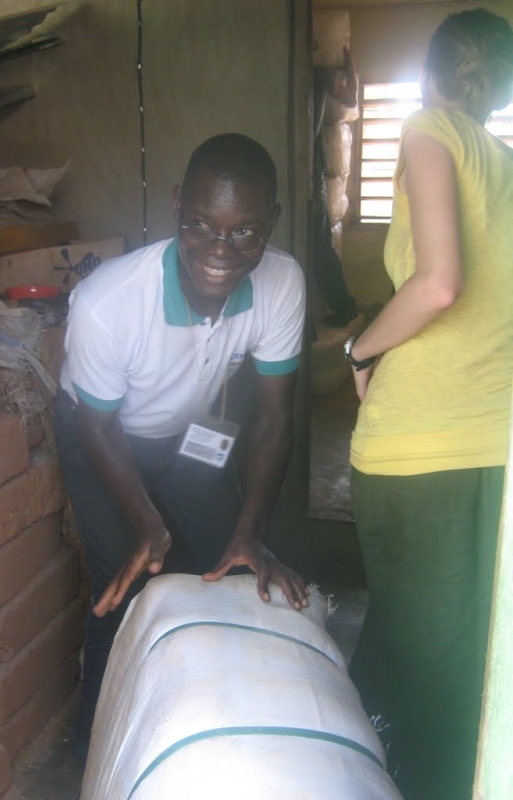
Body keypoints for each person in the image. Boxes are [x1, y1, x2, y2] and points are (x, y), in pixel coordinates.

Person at [54, 133, 310, 764]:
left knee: (226, 566)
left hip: (190, 436)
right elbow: (99, 428)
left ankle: (209, 726)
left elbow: (275, 417)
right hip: (106, 437)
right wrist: (148, 524)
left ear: (272, 223)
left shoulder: (282, 282)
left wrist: (251, 531)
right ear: (176, 207)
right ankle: (96, 755)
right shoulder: (108, 302)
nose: (221, 251)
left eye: (245, 232)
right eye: (201, 225)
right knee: (128, 587)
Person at [343, 10, 513, 800]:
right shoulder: (506, 168)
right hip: (494, 446)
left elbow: (439, 283)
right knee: (462, 652)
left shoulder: (426, 129)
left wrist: (359, 349)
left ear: (429, 75)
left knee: (418, 664)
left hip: (417, 447)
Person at [311, 44, 359, 328]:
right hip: (309, 174)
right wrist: (350, 63)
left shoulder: (318, 76)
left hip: (301, 173)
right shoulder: (320, 75)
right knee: (319, 249)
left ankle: (342, 306)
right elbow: (351, 99)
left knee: (317, 249)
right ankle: (343, 306)